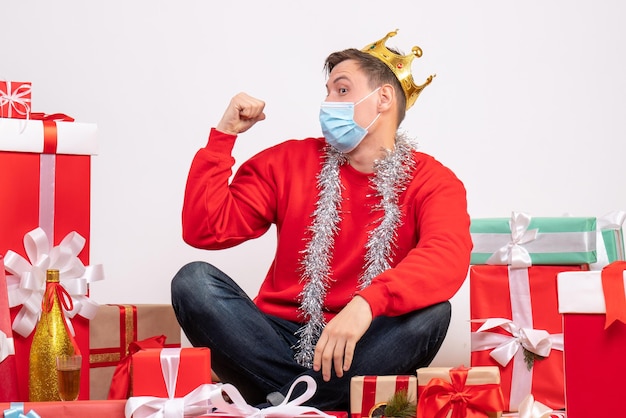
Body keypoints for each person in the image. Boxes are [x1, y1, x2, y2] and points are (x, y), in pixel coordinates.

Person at [171, 29, 472, 412]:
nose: (329, 102)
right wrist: (223, 135)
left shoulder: (433, 180)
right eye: (328, 91)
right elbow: (205, 228)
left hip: (362, 341)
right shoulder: (288, 161)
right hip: (275, 337)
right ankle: (321, 401)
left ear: (382, 98)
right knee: (193, 281)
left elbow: (446, 256)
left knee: (434, 312)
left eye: (342, 90)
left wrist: (366, 305)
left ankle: (279, 396)